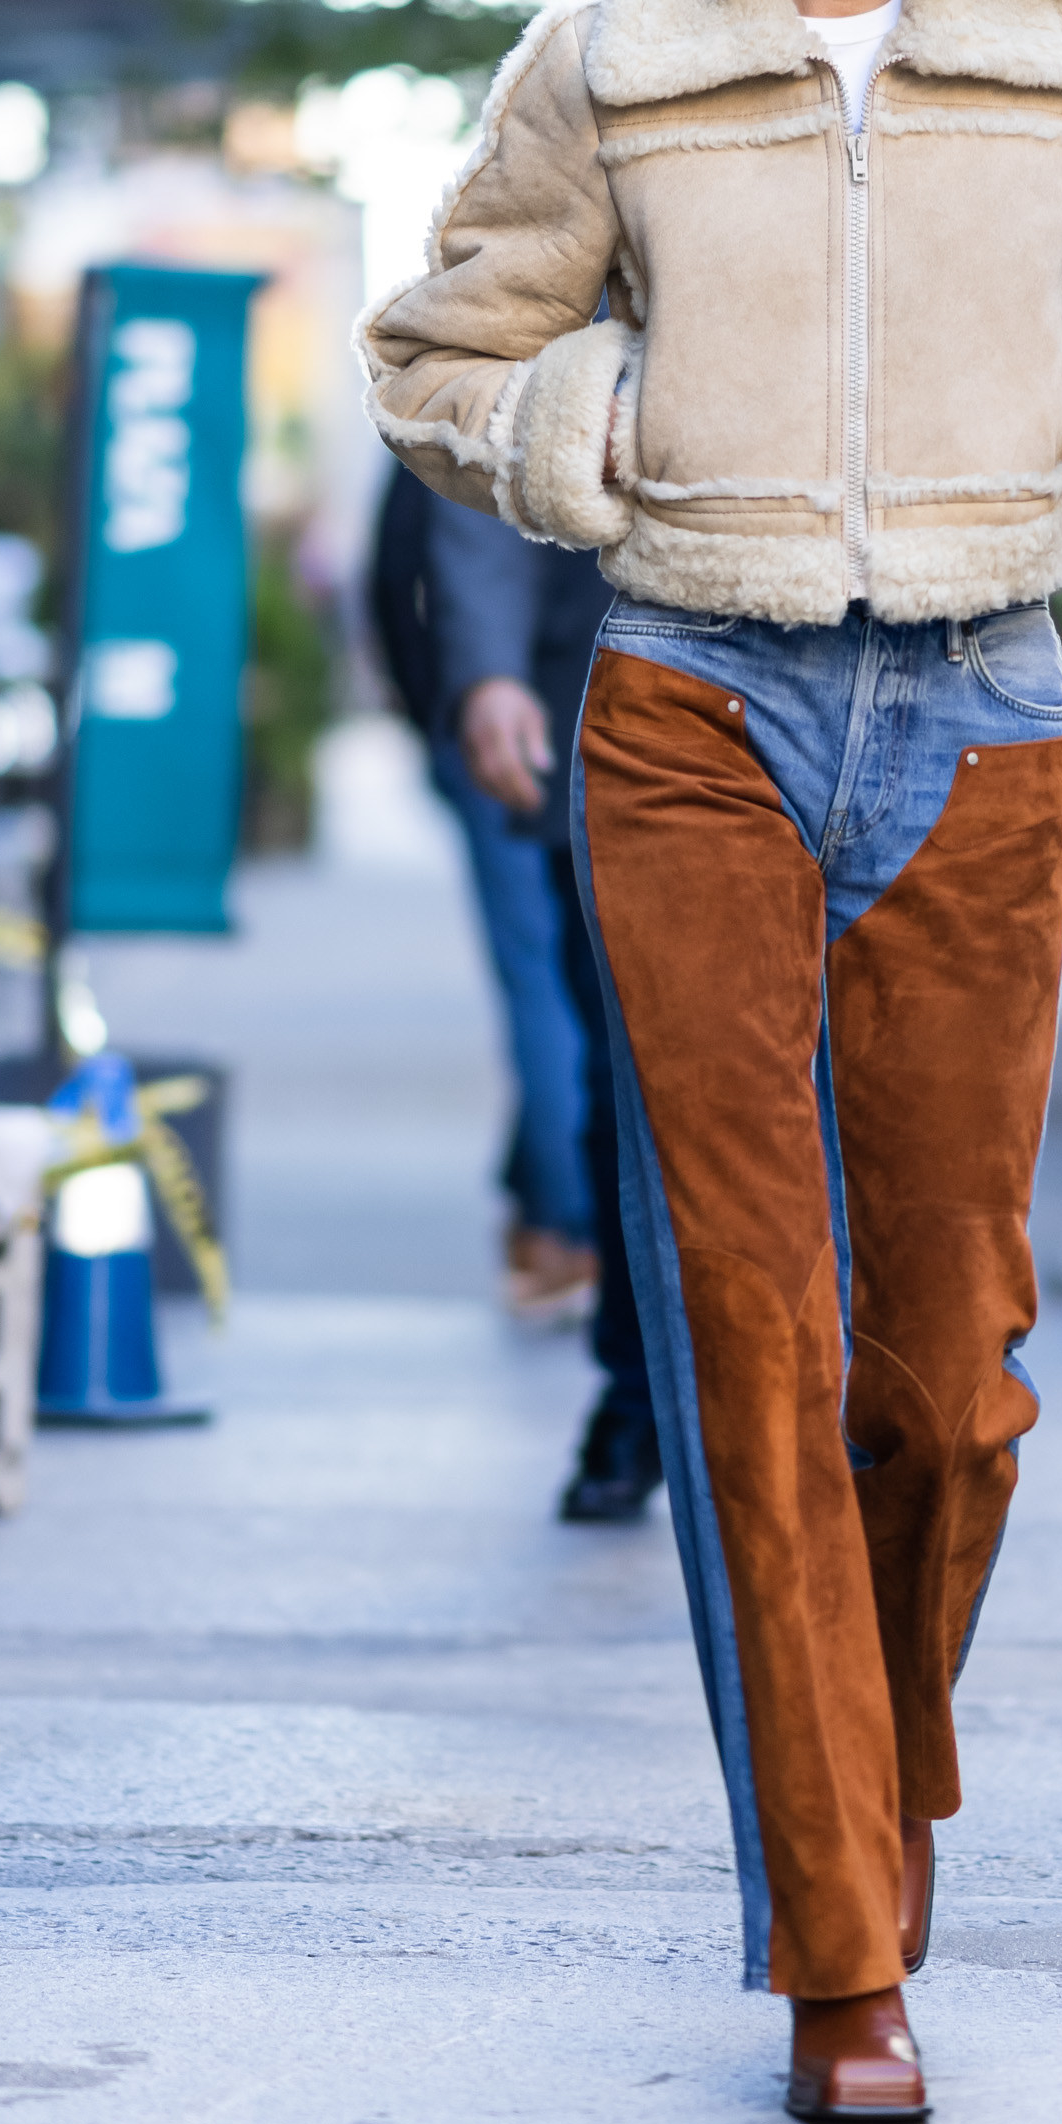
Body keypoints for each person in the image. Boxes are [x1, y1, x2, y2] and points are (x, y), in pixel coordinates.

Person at [358, 0, 1062, 2122]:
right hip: (694, 707)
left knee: (949, 1380)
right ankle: (841, 1948)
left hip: (981, 706)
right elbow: (436, 352)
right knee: (749, 1342)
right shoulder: (620, 54)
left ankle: (863, 1784)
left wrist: (1061, 408)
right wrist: (611, 435)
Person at [420, 491, 665, 1522]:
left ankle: (827, 1391)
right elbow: (483, 458)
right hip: (613, 711)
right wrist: (487, 674)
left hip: (855, 707)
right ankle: (639, 1396)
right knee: (630, 1086)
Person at [369, 464, 599, 1321]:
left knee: (541, 977)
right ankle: (556, 1210)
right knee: (589, 979)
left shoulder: (481, 367)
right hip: (603, 704)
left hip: (502, 718)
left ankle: (565, 1224)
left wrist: (435, 710)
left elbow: (395, 570)